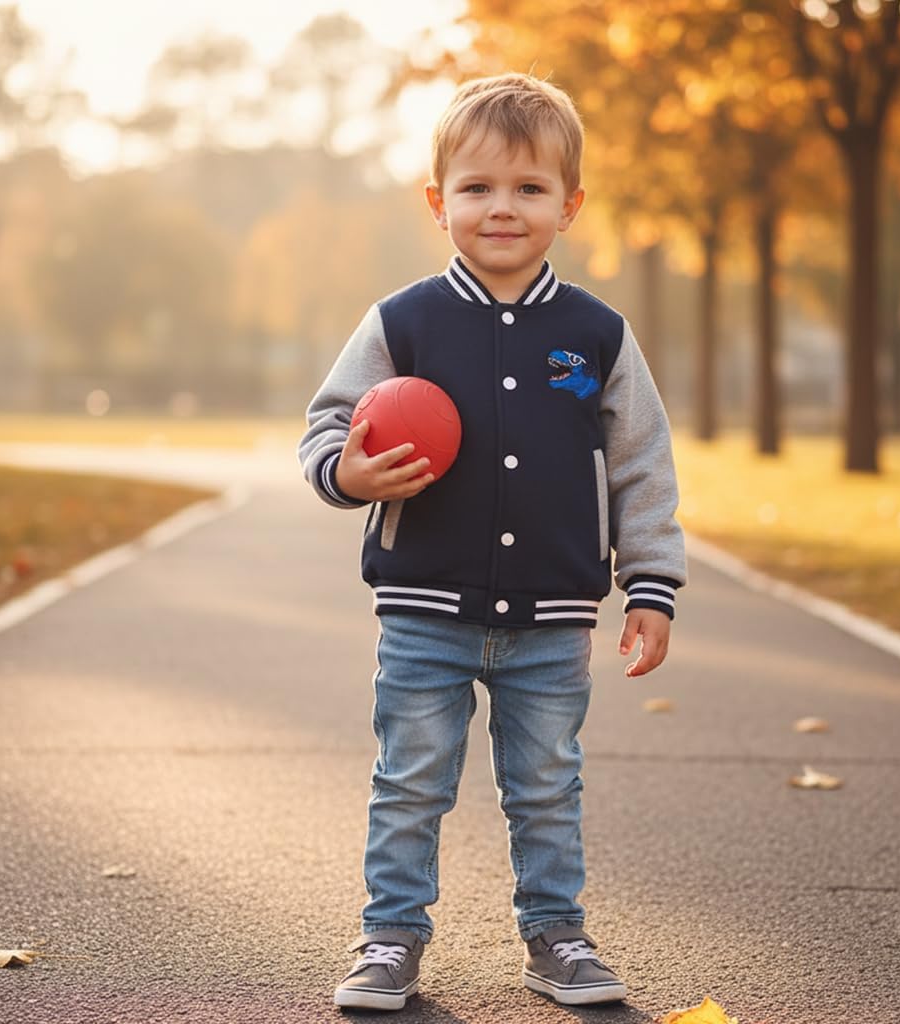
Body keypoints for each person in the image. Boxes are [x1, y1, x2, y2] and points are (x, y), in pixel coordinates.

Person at [298, 71, 686, 1011]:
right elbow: (327, 426)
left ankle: (557, 936)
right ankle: (390, 937)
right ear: (439, 203)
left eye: (528, 188)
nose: (501, 207)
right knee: (410, 782)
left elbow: (641, 463)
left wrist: (650, 584)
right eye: (476, 187)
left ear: (570, 205)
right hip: (424, 609)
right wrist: (349, 474)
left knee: (547, 785)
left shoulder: (597, 334)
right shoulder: (403, 322)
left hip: (552, 617)